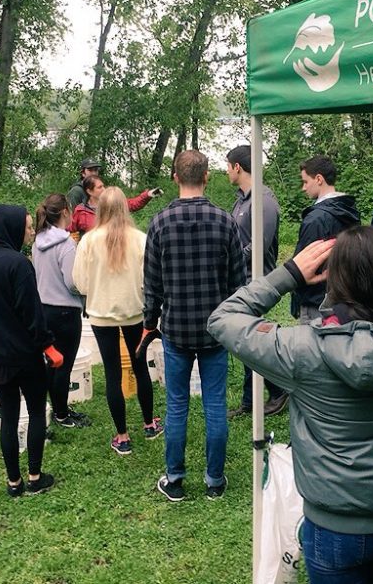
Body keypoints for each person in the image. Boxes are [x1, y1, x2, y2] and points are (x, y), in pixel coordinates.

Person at [208, 227, 373, 584]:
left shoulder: (301, 350)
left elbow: (224, 319)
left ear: (335, 279)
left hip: (335, 528)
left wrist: (289, 274)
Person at [144, 150, 245, 501]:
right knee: (215, 403)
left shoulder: (159, 222)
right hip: (215, 328)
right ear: (206, 177)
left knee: (177, 405)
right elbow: (238, 282)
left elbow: (152, 283)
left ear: (175, 177)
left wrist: (148, 320)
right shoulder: (225, 220)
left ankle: (175, 478)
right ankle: (214, 481)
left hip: (176, 328)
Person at [0, 205, 64, 497]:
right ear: (10, 228)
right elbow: (32, 313)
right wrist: (48, 345)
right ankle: (35, 477)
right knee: (36, 412)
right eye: (26, 227)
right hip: (25, 355)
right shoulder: (19, 264)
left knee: (9, 418)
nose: (29, 232)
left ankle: (14, 482)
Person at [73, 187, 162, 456]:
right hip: (134, 312)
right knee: (140, 367)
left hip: (101, 315)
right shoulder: (140, 239)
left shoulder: (89, 241)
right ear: (125, 208)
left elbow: (80, 283)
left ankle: (122, 436)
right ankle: (149, 424)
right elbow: (151, 279)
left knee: (112, 373)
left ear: (100, 209)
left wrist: (100, 290)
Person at [222, 145, 287, 419]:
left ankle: (279, 387)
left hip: (256, 280)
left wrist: (229, 259)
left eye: (228, 166)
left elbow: (258, 246)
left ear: (238, 167)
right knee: (245, 340)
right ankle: (251, 401)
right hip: (240, 279)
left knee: (248, 341)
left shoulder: (264, 201)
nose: (226, 171)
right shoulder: (242, 199)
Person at [32, 193, 90, 429]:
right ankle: (62, 415)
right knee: (64, 365)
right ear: (66, 212)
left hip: (44, 308)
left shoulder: (37, 241)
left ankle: (55, 408)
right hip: (65, 311)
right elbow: (72, 282)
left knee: (51, 362)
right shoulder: (66, 244)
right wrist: (87, 287)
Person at [291, 156, 360, 323]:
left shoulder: (316, 219)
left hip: (315, 302)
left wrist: (297, 298)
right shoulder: (350, 212)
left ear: (319, 179)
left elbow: (304, 264)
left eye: (305, 181)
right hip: (344, 301)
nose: (303, 187)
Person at [69, 175, 160, 235]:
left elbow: (132, 204)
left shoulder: (112, 204)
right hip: (92, 255)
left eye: (103, 186)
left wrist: (147, 195)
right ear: (89, 191)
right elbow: (69, 229)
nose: (104, 189)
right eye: (100, 187)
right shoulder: (81, 211)